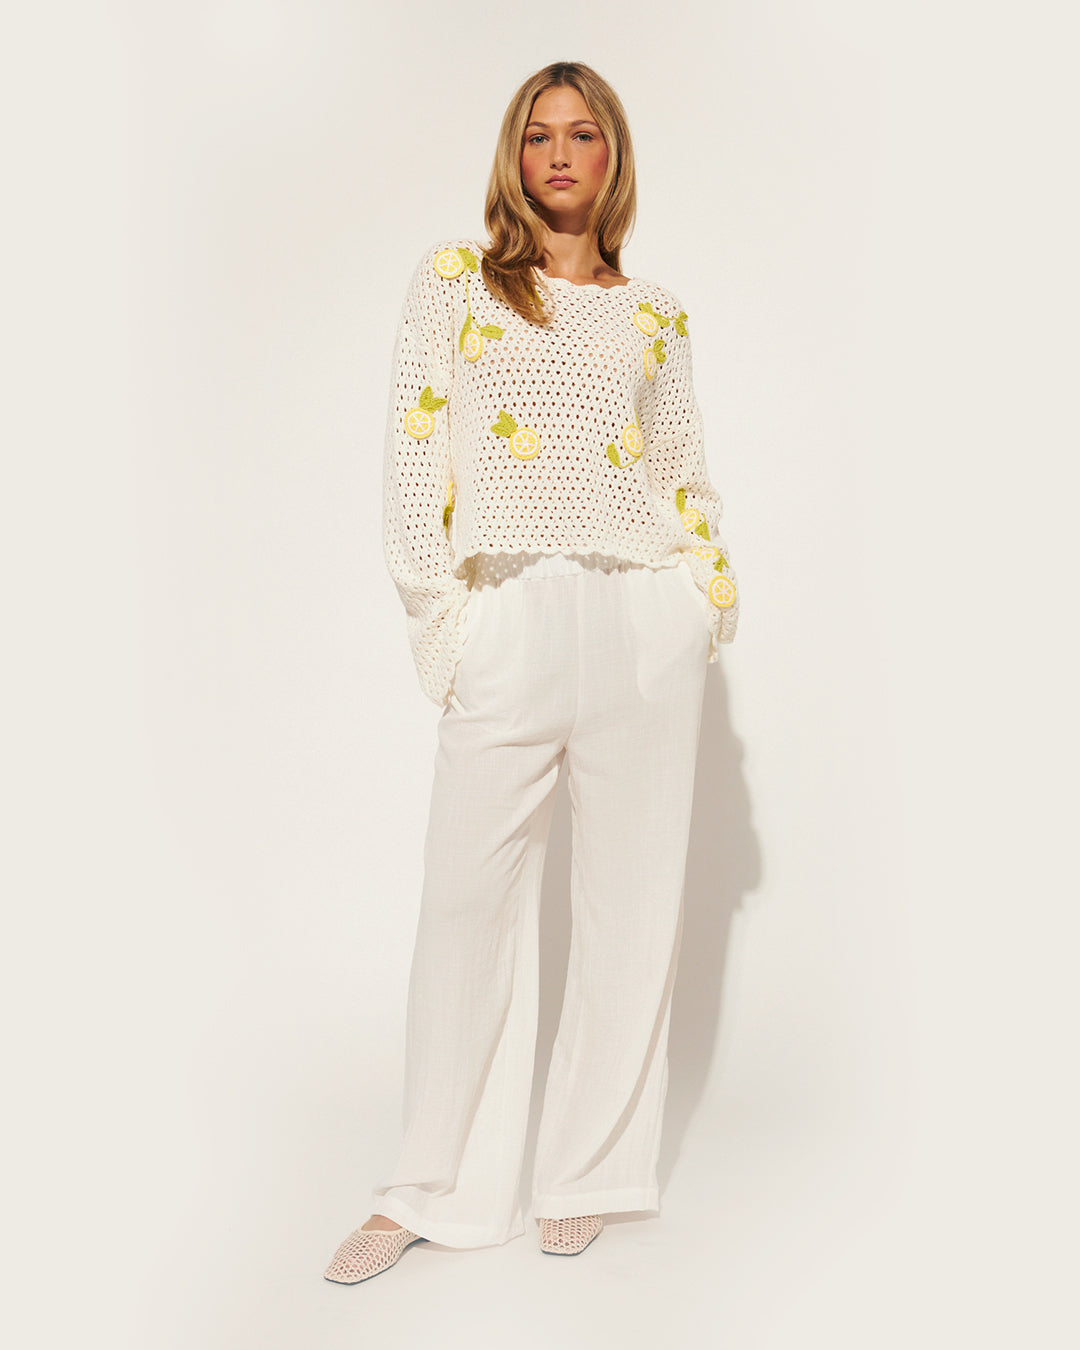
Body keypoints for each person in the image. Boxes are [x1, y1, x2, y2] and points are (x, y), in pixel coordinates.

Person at [323, 59, 739, 1285]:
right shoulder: (456, 280)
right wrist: (447, 625)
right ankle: (431, 1188)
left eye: (584, 134)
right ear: (515, 155)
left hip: (637, 619)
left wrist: (699, 602)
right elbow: (413, 456)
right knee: (465, 909)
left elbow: (683, 471)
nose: (560, 154)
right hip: (508, 611)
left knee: (630, 907)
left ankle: (590, 1173)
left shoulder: (656, 313)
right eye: (540, 135)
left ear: (614, 157)